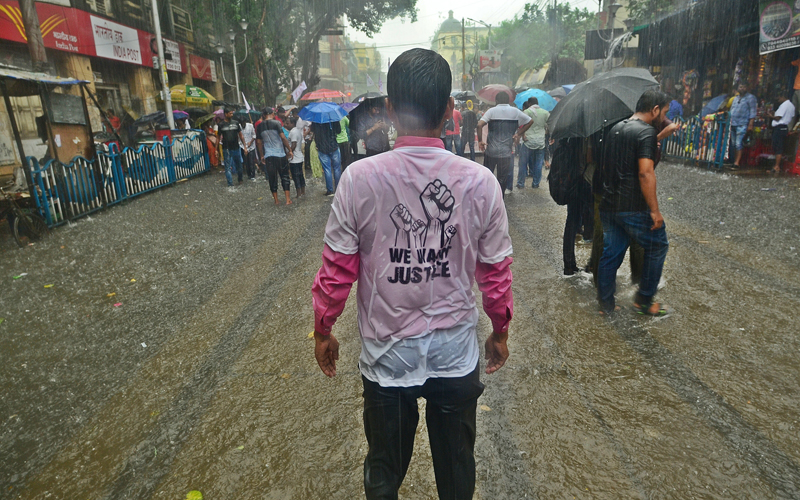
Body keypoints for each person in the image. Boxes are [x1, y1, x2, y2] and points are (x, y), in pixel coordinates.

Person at [311, 47, 513, 500]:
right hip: (455, 356)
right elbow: (496, 272)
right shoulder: (480, 183)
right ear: (449, 109)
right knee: (457, 474)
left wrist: (323, 328)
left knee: (384, 473)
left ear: (389, 109)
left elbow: (337, 269)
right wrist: (500, 330)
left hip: (387, 360)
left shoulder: (359, 179)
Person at [597, 89, 671, 316]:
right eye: (664, 112)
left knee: (612, 253)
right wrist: (655, 211)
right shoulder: (646, 132)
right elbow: (645, 173)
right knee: (658, 245)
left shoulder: (616, 128)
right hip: (632, 207)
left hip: (610, 204)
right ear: (655, 109)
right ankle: (644, 301)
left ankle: (606, 305)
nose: (664, 118)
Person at [477, 91, 532, 195]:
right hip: (506, 153)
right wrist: (518, 133)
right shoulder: (515, 111)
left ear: (496, 100)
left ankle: (487, 197)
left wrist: (480, 141)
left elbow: (479, 125)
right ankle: (500, 198)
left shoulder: (491, 111)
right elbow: (530, 121)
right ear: (508, 101)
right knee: (502, 179)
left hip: (491, 151)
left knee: (487, 177)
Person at [256, 107, 293, 205]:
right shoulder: (277, 123)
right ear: (272, 113)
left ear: (264, 115)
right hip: (280, 154)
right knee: (284, 176)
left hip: (268, 155)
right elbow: (283, 138)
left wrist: (261, 155)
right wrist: (289, 150)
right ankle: (288, 199)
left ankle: (276, 200)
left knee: (272, 178)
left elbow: (259, 142)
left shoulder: (259, 126)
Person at [517, 97, 549, 189]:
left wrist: (522, 135)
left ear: (529, 103)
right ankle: (535, 183)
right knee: (538, 164)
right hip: (540, 142)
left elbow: (521, 125)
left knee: (523, 163)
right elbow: (548, 126)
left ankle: (521, 183)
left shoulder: (527, 112)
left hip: (528, 141)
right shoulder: (545, 113)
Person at [764, 92, 795, 173]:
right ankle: (777, 165)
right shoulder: (791, 105)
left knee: (778, 147)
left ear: (783, 97)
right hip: (784, 127)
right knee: (779, 146)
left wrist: (770, 116)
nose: (778, 100)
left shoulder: (784, 105)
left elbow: (778, 117)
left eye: (779, 98)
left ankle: (776, 166)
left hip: (779, 128)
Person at [728, 82, 758, 168]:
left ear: (747, 88)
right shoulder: (736, 98)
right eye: (740, 87)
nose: (742, 88)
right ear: (738, 88)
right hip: (733, 123)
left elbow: (753, 111)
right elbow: (732, 110)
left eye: (744, 87)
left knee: (738, 144)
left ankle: (737, 163)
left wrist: (750, 124)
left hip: (742, 124)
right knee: (733, 144)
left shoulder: (751, 98)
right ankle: (734, 160)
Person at [310, 119, 342, 196]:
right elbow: (339, 131)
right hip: (334, 146)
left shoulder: (316, 119)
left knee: (327, 169)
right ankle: (338, 189)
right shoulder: (333, 118)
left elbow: (313, 131)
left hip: (322, 148)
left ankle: (330, 191)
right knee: (337, 168)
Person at [219, 106, 246, 187]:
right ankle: (230, 183)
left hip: (236, 147)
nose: (232, 115)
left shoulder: (236, 123)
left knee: (239, 165)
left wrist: (245, 146)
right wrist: (217, 149)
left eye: (232, 113)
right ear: (226, 114)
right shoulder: (221, 125)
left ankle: (240, 179)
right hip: (226, 148)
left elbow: (241, 135)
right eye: (230, 113)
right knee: (227, 167)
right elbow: (218, 137)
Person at [287, 116, 306, 197]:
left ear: (292, 123)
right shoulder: (297, 131)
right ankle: (303, 191)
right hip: (299, 157)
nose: (286, 125)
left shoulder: (293, 132)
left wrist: (288, 154)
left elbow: (294, 144)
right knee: (300, 175)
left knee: (295, 176)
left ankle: (298, 193)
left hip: (294, 158)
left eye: (287, 123)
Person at [240, 114, 257, 181]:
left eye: (243, 123)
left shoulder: (250, 126)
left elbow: (254, 135)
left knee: (251, 161)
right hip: (243, 147)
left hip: (251, 146)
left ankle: (253, 175)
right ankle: (249, 174)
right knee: (246, 161)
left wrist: (250, 142)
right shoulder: (239, 127)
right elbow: (239, 139)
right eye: (241, 124)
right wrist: (243, 147)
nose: (242, 125)